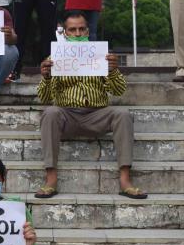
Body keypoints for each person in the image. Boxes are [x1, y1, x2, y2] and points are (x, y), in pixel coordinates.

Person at [36, 11, 144, 199]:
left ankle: (125, 179)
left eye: (81, 29)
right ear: (65, 33)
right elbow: (44, 97)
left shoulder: (101, 55)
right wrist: (46, 76)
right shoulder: (54, 57)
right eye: (72, 30)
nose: (77, 34)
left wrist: (113, 70)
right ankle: (51, 178)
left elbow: (118, 91)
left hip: (97, 114)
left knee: (123, 114)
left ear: (87, 30)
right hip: (67, 116)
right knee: (50, 112)